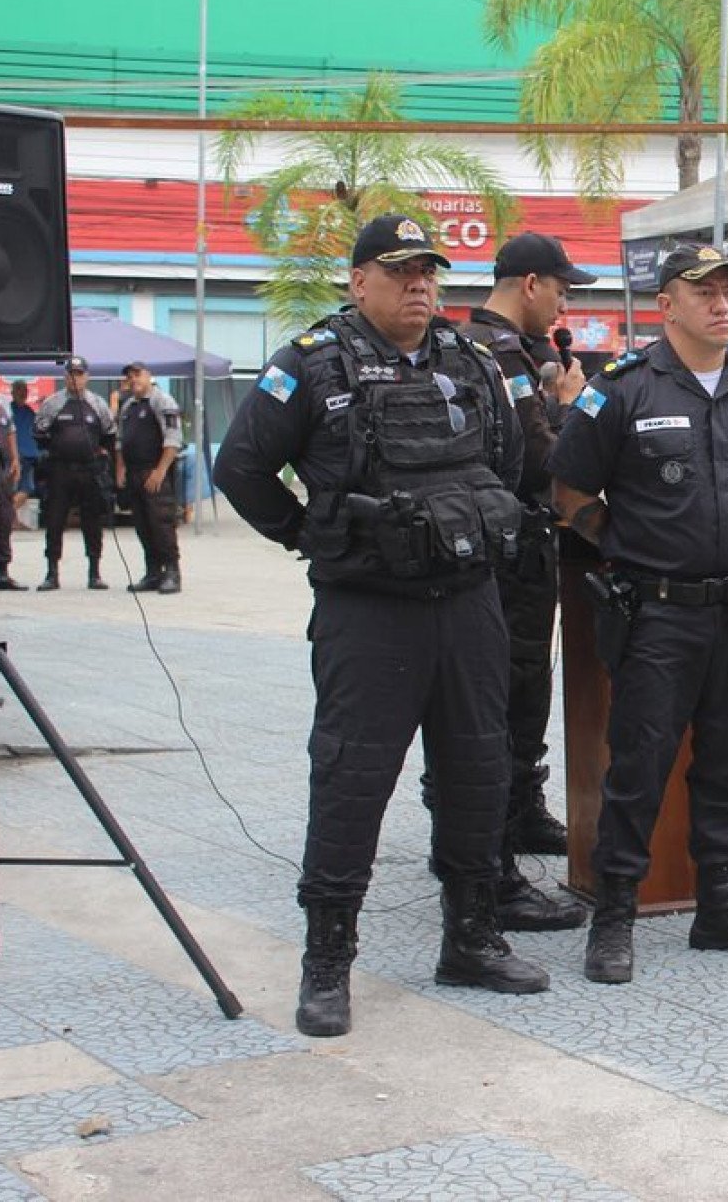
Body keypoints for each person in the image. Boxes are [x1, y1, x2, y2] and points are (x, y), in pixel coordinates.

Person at [216, 214, 548, 1037]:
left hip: (468, 603)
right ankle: (327, 961)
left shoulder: (470, 362)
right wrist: (313, 534)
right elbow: (242, 469)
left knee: (478, 774)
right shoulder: (311, 364)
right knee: (351, 782)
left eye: (429, 273)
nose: (419, 287)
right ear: (359, 280)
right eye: (401, 273)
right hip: (369, 612)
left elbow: (504, 464)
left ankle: (471, 937)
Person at [549, 243, 728, 983]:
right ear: (666, 305)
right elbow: (570, 498)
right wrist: (635, 549)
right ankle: (616, 914)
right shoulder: (622, 390)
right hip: (657, 612)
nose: (722, 304)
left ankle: (721, 903)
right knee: (640, 763)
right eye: (705, 292)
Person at [454, 232, 595, 929]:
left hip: (524, 545)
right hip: (507, 546)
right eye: (562, 289)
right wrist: (569, 405)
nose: (564, 303)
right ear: (531, 284)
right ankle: (493, 842)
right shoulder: (497, 352)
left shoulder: (516, 350)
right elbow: (541, 454)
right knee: (505, 690)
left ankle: (521, 806)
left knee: (526, 683)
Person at [33, 356, 116, 591]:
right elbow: (39, 432)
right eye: (71, 374)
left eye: (79, 374)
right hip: (61, 471)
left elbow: (110, 434)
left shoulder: (97, 404)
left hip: (90, 471)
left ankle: (95, 573)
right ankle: (52, 573)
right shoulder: (53, 403)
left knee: (92, 521)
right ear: (65, 376)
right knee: (55, 520)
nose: (74, 378)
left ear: (87, 377)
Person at [114, 363, 184, 595]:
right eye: (129, 376)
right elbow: (121, 442)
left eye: (137, 374)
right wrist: (120, 470)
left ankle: (172, 572)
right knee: (143, 526)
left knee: (161, 524)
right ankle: (153, 572)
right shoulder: (128, 407)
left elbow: (173, 438)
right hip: (134, 474)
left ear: (148, 376)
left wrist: (161, 470)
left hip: (154, 473)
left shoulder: (162, 401)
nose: (133, 379)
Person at [0, 371, 23, 590]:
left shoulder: (1, 402)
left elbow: (10, 429)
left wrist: (15, 459)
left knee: (4, 516)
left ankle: (2, 573)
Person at [11, 380, 38, 510]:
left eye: (25, 391)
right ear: (13, 393)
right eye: (19, 390)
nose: (23, 393)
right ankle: (6, 519)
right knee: (12, 489)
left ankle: (9, 518)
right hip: (14, 457)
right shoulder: (9, 410)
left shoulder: (30, 412)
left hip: (29, 457)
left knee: (27, 488)